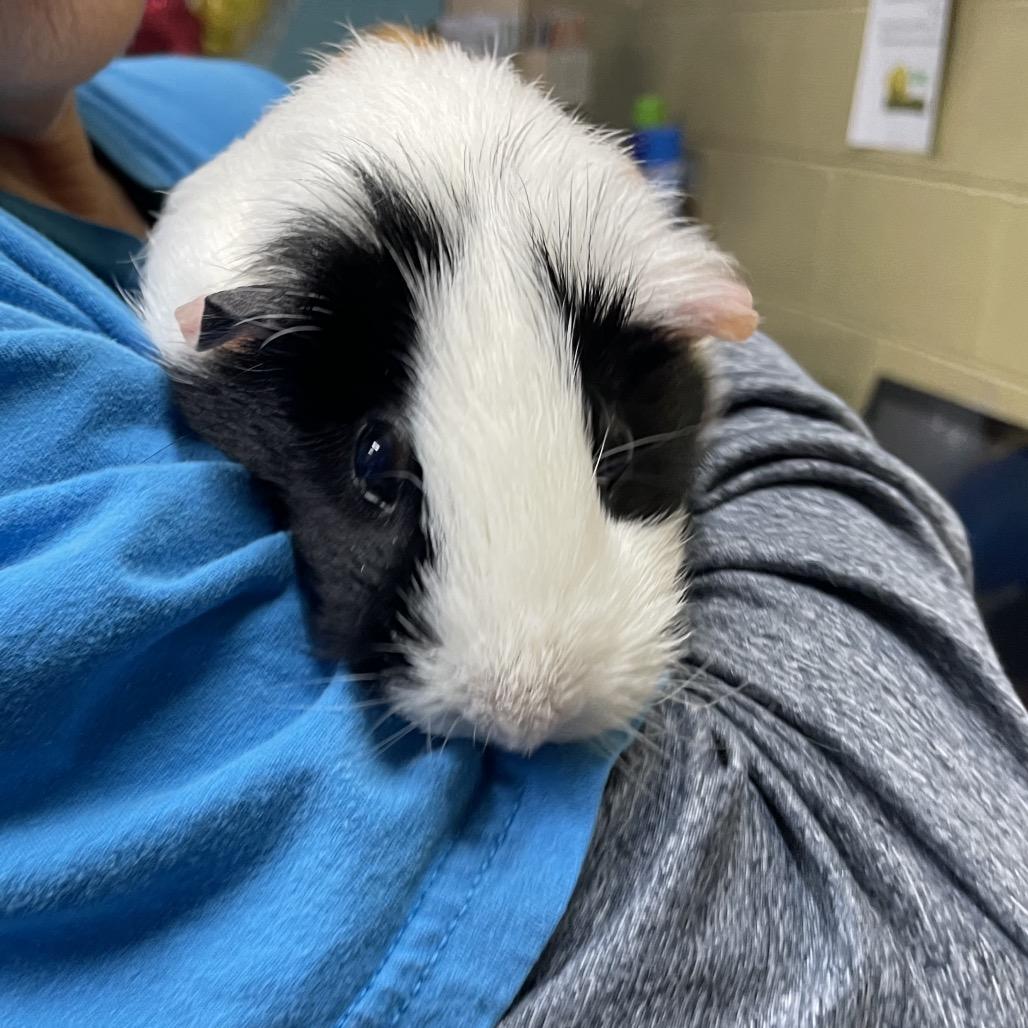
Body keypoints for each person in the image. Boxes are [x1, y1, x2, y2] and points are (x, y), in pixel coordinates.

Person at [1, 5, 1026, 1026]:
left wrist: (612, 247)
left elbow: (697, 336)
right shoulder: (106, 355)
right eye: (378, 470)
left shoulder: (205, 104)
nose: (525, 702)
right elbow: (920, 942)